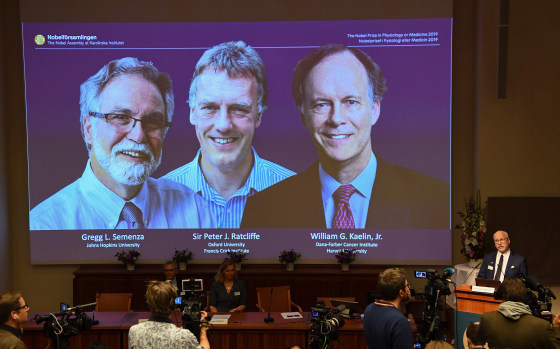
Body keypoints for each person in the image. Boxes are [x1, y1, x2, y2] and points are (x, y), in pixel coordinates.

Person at [241, 44, 448, 229]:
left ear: (374, 109)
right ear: (304, 115)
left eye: (350, 102)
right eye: (321, 104)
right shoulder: (264, 209)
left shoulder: (435, 201)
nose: (336, 119)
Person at [29, 57, 216, 230]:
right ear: (88, 129)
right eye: (120, 117)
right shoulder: (45, 224)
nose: (138, 136)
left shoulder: (194, 210)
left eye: (153, 121)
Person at [163, 41, 295, 228]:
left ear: (259, 115)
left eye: (239, 109)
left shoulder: (298, 194)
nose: (224, 125)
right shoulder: (157, 198)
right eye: (209, 107)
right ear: (192, 112)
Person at [478, 278, 560, 348]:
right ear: (524, 297)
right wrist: (557, 327)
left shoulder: (487, 319)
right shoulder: (542, 326)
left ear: (502, 297)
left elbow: (478, 342)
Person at [128, 281, 209, 349]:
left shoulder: (134, 331)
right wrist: (203, 328)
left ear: (148, 304)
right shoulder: (184, 336)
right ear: (173, 305)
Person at [362, 267, 414, 349]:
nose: (408, 288)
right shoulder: (400, 322)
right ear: (401, 292)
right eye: (407, 285)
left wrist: (403, 303)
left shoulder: (369, 309)